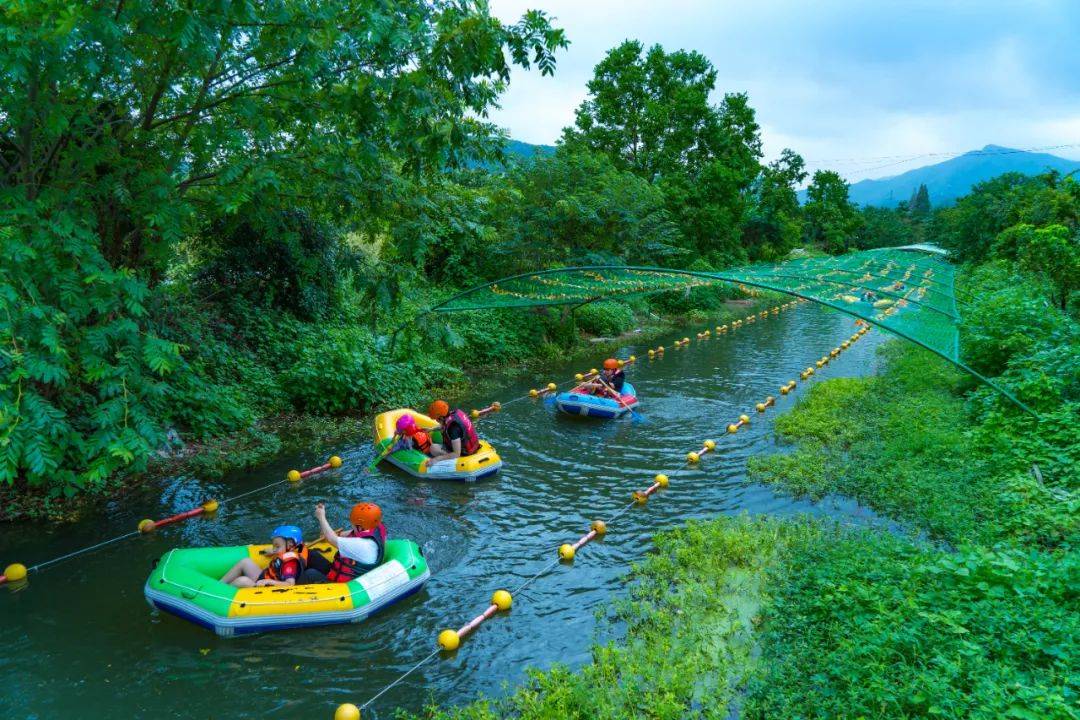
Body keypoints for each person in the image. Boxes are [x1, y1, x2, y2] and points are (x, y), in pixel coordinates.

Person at [304, 502, 387, 584]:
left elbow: (332, 539)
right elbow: (351, 533)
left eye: (353, 524)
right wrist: (332, 533)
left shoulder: (361, 544)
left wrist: (321, 517)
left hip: (341, 585)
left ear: (360, 527)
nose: (352, 526)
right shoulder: (375, 528)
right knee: (311, 554)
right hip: (337, 571)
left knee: (310, 574)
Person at [220, 525, 306, 588]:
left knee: (243, 581)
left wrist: (268, 582)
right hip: (264, 577)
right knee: (245, 562)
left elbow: (290, 584)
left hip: (267, 588)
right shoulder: (284, 552)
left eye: (277, 546)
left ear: (290, 545)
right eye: (274, 546)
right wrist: (274, 550)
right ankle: (219, 585)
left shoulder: (290, 563)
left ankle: (220, 593)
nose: (275, 549)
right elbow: (279, 555)